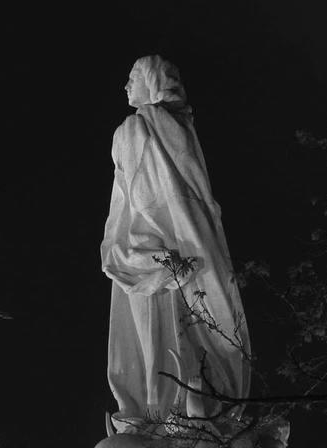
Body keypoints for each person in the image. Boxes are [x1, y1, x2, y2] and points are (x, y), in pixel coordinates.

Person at [102, 55, 250, 428]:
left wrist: (133, 248)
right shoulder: (174, 126)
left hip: (155, 245)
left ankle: (164, 404)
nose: (126, 86)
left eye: (132, 78)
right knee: (192, 321)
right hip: (187, 242)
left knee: (162, 323)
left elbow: (136, 199)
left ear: (149, 81)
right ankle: (183, 401)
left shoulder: (137, 129)